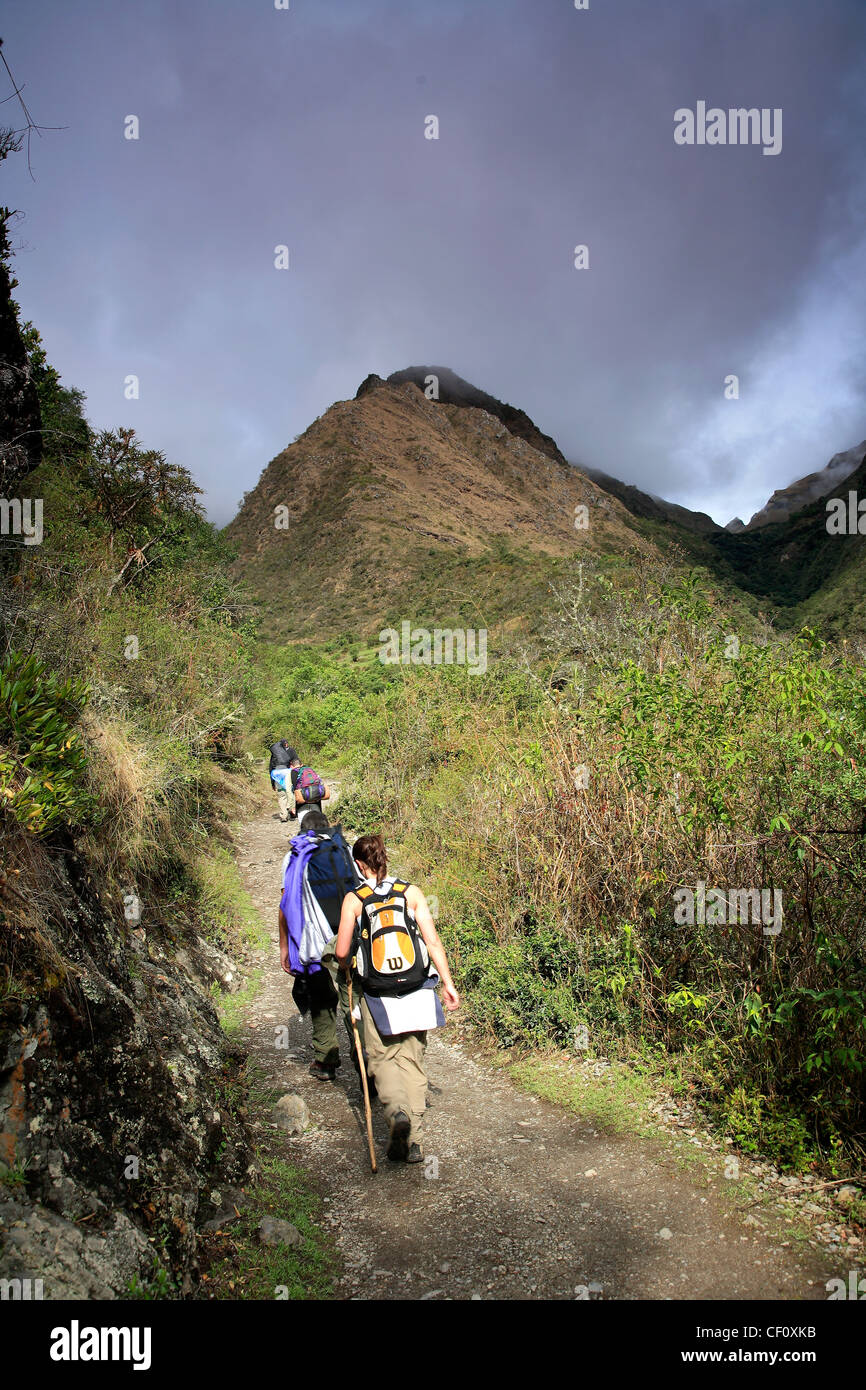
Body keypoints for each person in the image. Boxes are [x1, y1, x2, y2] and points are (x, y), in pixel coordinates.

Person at [335, 834, 459, 1163]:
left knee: (382, 1061)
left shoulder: (355, 899)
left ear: (360, 864)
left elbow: (342, 951)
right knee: (413, 1064)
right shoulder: (411, 893)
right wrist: (447, 983)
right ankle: (414, 1141)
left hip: (379, 997)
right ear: (384, 859)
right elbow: (432, 943)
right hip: (418, 990)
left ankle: (397, 1116)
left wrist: (346, 966)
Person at [278, 810, 373, 1089]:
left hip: (315, 942)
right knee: (352, 1000)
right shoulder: (342, 849)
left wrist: (285, 946)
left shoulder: (296, 854)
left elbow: (285, 906)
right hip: (348, 938)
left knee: (321, 999)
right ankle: (367, 1063)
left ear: (302, 830)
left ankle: (326, 1060)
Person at [292, 762, 331, 830]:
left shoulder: (293, 773)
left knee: (305, 827)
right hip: (316, 803)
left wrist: (292, 807)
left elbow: (292, 792)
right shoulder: (312, 773)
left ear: (292, 765)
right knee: (318, 826)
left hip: (302, 804)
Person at [269, 739, 298, 823]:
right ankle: (292, 811)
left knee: (281, 795)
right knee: (290, 792)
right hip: (288, 775)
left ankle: (284, 815)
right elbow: (296, 764)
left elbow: (270, 768)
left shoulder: (275, 755)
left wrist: (272, 783)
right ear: (286, 744)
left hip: (277, 775)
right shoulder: (291, 751)